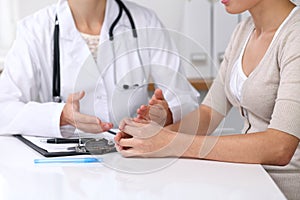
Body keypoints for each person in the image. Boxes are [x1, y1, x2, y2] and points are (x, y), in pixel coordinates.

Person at [115, 0, 300, 199]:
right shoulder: (244, 31)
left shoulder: (294, 36)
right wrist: (149, 137)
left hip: (282, 191)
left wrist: (169, 142)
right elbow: (209, 112)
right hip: (250, 180)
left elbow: (279, 147)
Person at [0, 0, 199, 138]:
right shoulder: (35, 30)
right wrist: (61, 116)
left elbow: (185, 99)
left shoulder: (144, 22)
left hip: (132, 165)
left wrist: (167, 113)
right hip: (63, 171)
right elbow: (4, 109)